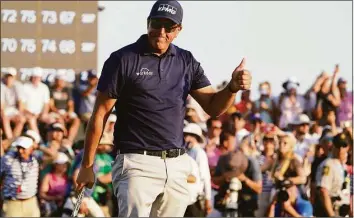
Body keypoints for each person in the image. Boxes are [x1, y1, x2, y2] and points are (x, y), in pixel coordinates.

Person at [75, 0, 252, 217]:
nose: (160, 32)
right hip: (136, 163)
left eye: (168, 27)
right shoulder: (122, 59)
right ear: (147, 23)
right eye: (156, 24)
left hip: (176, 165)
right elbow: (100, 114)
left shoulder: (186, 61)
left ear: (178, 30)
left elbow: (213, 107)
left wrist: (232, 88)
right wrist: (87, 165)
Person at [1, 136, 40, 217]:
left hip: (31, 202)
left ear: (31, 148)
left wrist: (39, 146)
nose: (20, 151)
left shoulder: (36, 159)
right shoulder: (8, 159)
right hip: (12, 203)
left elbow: (53, 155)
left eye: (23, 148)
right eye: (18, 147)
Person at [314, 132, 352, 217]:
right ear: (333, 146)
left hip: (344, 210)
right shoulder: (328, 165)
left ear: (348, 147)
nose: (341, 149)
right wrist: (332, 215)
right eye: (338, 146)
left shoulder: (343, 166)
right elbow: (324, 191)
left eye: (344, 146)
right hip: (332, 210)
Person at [183, 123, 212, 216]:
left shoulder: (199, 153)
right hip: (186, 199)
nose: (184, 138)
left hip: (195, 200)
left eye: (187, 135)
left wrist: (208, 199)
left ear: (193, 137)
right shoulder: (187, 152)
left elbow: (205, 177)